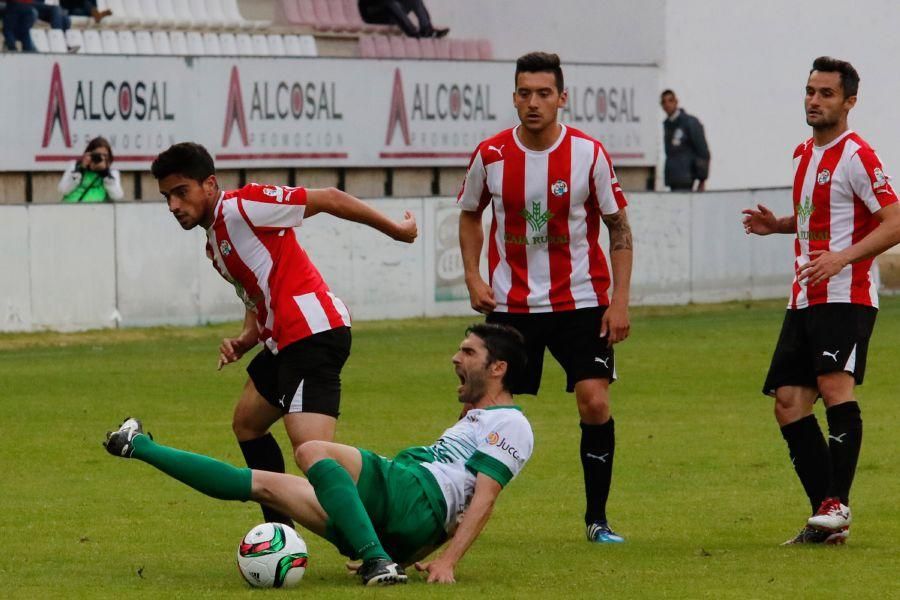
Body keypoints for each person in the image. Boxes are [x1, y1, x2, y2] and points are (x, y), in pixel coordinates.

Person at [103, 323, 534, 586]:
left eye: (468, 352)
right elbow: (460, 498)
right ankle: (138, 445)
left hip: (411, 493)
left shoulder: (513, 423)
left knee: (310, 448)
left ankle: (375, 559)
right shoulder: (473, 417)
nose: (454, 357)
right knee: (263, 485)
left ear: (498, 369)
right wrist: (412, 554)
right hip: (398, 526)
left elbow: (485, 496)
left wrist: (448, 562)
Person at [149, 142, 417, 529]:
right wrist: (246, 338)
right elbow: (260, 291)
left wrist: (396, 230)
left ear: (209, 184)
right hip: (283, 341)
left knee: (315, 456)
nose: (173, 205)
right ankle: (280, 532)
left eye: (180, 192)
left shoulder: (244, 205)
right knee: (247, 424)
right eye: (166, 197)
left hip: (313, 332)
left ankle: (377, 544)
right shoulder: (215, 242)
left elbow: (328, 198)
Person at [457, 52, 633, 544]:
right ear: (514, 97)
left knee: (594, 400)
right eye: (524, 93)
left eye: (543, 93)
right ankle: (449, 513)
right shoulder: (490, 155)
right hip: (512, 307)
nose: (533, 103)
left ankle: (597, 520)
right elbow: (471, 214)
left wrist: (619, 301)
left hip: (581, 301)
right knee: (479, 406)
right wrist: (473, 275)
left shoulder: (589, 154)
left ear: (562, 97)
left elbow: (619, 226)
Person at [742, 56, 900, 545]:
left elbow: (894, 221)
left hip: (845, 295)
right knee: (788, 404)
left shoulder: (858, 155)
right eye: (810, 91)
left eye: (826, 93)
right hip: (804, 297)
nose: (814, 100)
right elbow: (820, 218)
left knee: (835, 388)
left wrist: (842, 259)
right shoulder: (802, 154)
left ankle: (837, 504)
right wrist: (781, 226)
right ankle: (825, 518)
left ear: (849, 102)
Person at [660, 89, 710, 191]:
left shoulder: (689, 122)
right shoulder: (667, 124)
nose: (667, 105)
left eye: (670, 100)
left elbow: (702, 150)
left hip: (687, 178)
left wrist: (702, 179)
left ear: (676, 102)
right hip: (673, 178)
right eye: (664, 102)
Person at [58, 136, 124, 203]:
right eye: (97, 155)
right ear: (89, 154)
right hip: (70, 209)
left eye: (104, 155)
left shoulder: (111, 174)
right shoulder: (75, 166)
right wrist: (80, 170)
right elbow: (63, 190)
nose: (101, 159)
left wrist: (105, 174)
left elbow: (117, 196)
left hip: (96, 210)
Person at [357, 0, 448, 38]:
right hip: (372, 13)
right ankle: (413, 33)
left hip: (391, 12)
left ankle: (427, 29)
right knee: (390, 2)